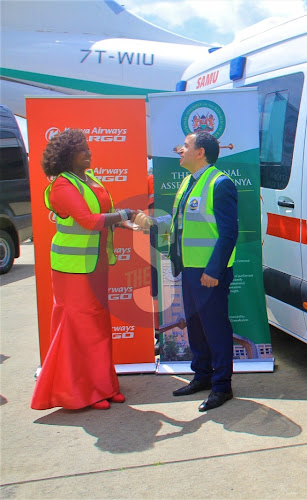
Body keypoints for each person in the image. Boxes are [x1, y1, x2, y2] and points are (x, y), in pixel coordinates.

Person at [134, 131, 238, 412]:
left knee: (215, 328)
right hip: (189, 269)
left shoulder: (220, 183)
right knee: (196, 326)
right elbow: (180, 223)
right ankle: (202, 376)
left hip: (208, 273)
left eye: (186, 146)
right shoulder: (187, 182)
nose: (180, 149)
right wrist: (153, 222)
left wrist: (214, 270)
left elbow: (229, 234)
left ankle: (221, 386)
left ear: (200, 152)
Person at [31, 129, 134, 411]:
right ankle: (84, 391)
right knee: (81, 329)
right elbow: (89, 221)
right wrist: (126, 215)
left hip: (96, 266)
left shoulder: (90, 180)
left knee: (98, 327)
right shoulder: (63, 186)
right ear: (68, 156)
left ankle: (104, 385)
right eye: (84, 150)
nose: (89, 153)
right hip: (73, 271)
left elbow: (104, 217)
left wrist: (126, 223)